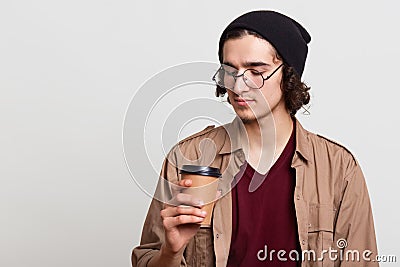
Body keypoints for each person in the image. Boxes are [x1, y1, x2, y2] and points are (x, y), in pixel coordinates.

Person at [131, 10, 379, 267]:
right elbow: (147, 258)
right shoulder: (187, 158)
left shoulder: (339, 169)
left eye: (256, 71)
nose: (239, 87)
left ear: (289, 76)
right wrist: (171, 253)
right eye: (231, 71)